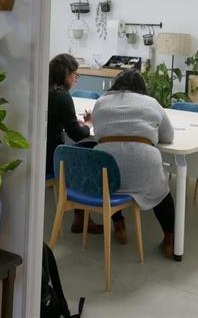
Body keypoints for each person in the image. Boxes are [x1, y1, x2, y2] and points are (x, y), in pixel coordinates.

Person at [92, 69, 176, 259]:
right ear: (141, 86)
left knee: (109, 188)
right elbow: (168, 136)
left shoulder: (101, 102)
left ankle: (119, 224)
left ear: (115, 84)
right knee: (162, 194)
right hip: (143, 165)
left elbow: (97, 134)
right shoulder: (151, 103)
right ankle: (170, 239)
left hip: (107, 166)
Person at [47, 53, 101, 233]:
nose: (76, 79)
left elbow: (54, 120)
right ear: (66, 75)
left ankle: (80, 217)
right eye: (75, 75)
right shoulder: (62, 96)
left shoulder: (45, 90)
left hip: (40, 153)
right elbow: (77, 135)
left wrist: (72, 122)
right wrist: (88, 124)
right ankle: (82, 218)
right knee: (88, 152)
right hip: (52, 159)